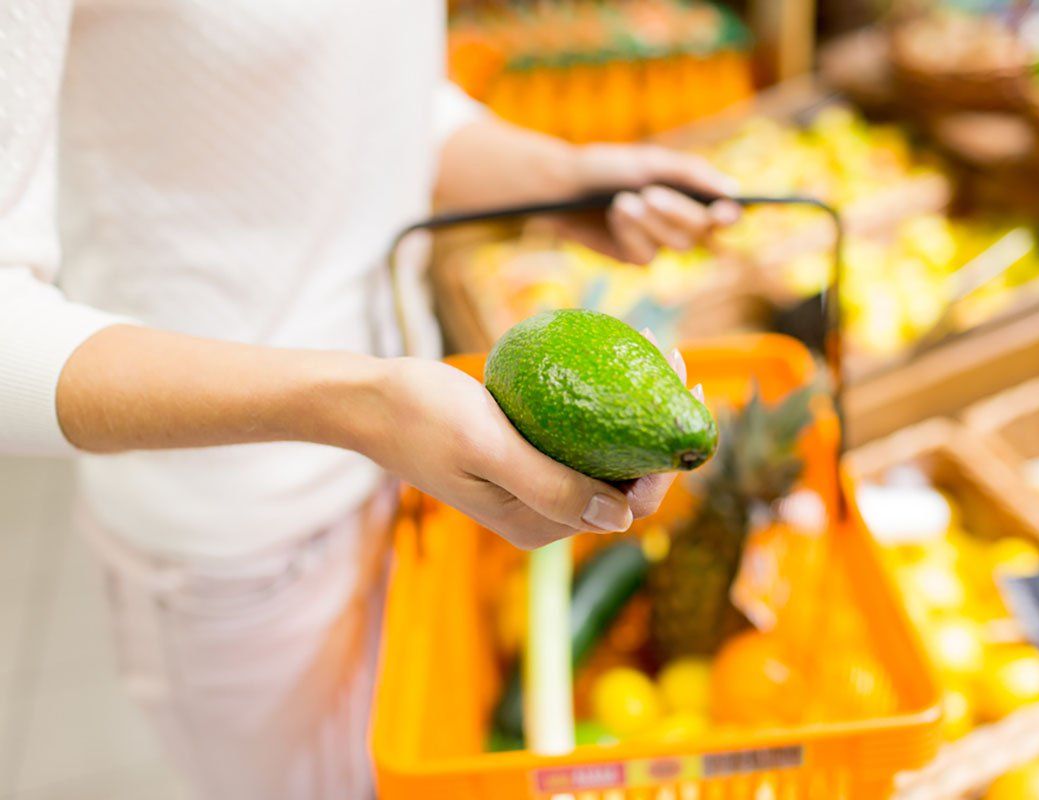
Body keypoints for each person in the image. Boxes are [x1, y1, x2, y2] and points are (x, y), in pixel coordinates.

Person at [0, 3, 740, 798]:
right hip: (243, 542)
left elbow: (370, 101)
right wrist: (358, 406)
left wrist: (556, 179)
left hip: (403, 473)